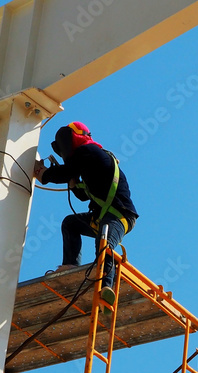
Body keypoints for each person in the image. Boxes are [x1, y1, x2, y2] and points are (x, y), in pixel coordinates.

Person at [34, 122, 138, 304]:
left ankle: (107, 286)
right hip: (102, 215)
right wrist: (74, 184)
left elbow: (63, 173)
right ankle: (69, 265)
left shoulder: (87, 151)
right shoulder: (89, 161)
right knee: (71, 223)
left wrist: (44, 174)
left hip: (119, 215)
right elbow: (83, 196)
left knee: (104, 241)